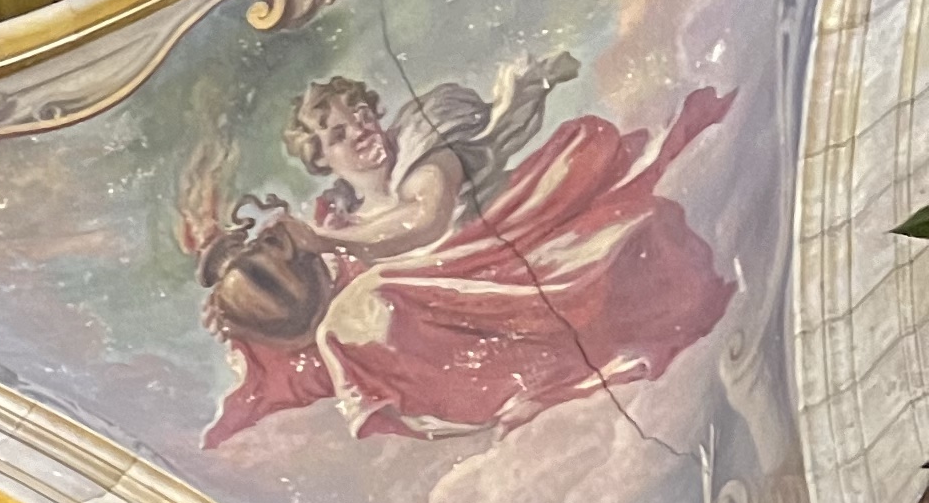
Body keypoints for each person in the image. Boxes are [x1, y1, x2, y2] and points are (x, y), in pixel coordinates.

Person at [196, 62, 733, 449]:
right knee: (347, 325)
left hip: (519, 253)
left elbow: (424, 221)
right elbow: (325, 343)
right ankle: (501, 393)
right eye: (338, 133)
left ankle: (541, 374)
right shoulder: (339, 221)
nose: (360, 130)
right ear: (322, 159)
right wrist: (247, 330)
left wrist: (329, 244)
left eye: (361, 114)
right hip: (469, 316)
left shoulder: (423, 149)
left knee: (368, 300)